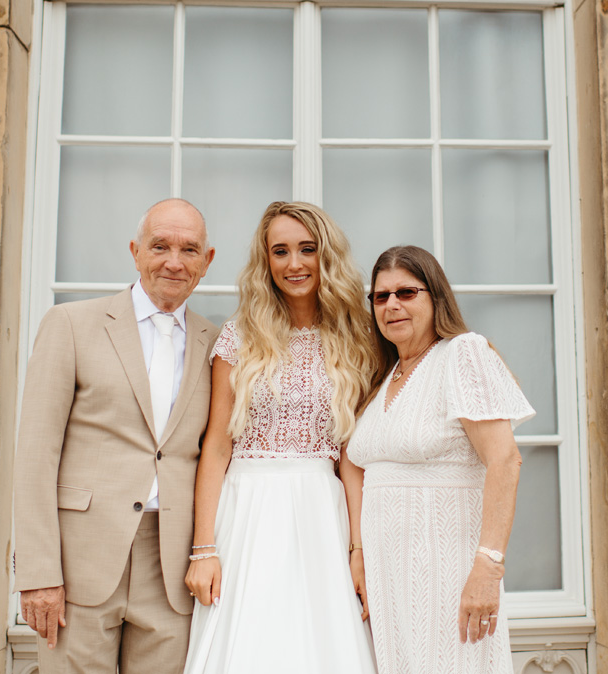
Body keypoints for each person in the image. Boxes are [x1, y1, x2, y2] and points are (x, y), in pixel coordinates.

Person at [13, 198, 220, 674]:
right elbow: (35, 455)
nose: (174, 262)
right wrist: (39, 573)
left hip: (171, 568)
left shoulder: (216, 344)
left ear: (207, 261)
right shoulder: (71, 324)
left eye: (189, 250)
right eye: (160, 246)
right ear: (135, 251)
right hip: (79, 562)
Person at [183, 201, 378, 674]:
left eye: (307, 249)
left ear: (326, 255)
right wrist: (203, 549)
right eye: (281, 251)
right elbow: (217, 448)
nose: (294, 264)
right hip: (247, 512)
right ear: (266, 260)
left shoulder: (355, 339)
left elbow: (351, 457)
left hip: (321, 514)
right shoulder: (238, 337)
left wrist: (358, 550)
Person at [343, 245, 535, 673]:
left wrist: (488, 567)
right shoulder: (382, 376)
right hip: (388, 578)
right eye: (381, 296)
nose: (391, 305)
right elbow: (355, 462)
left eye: (406, 292)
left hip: (449, 573)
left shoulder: (462, 353)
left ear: (436, 297)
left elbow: (505, 461)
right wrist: (359, 551)